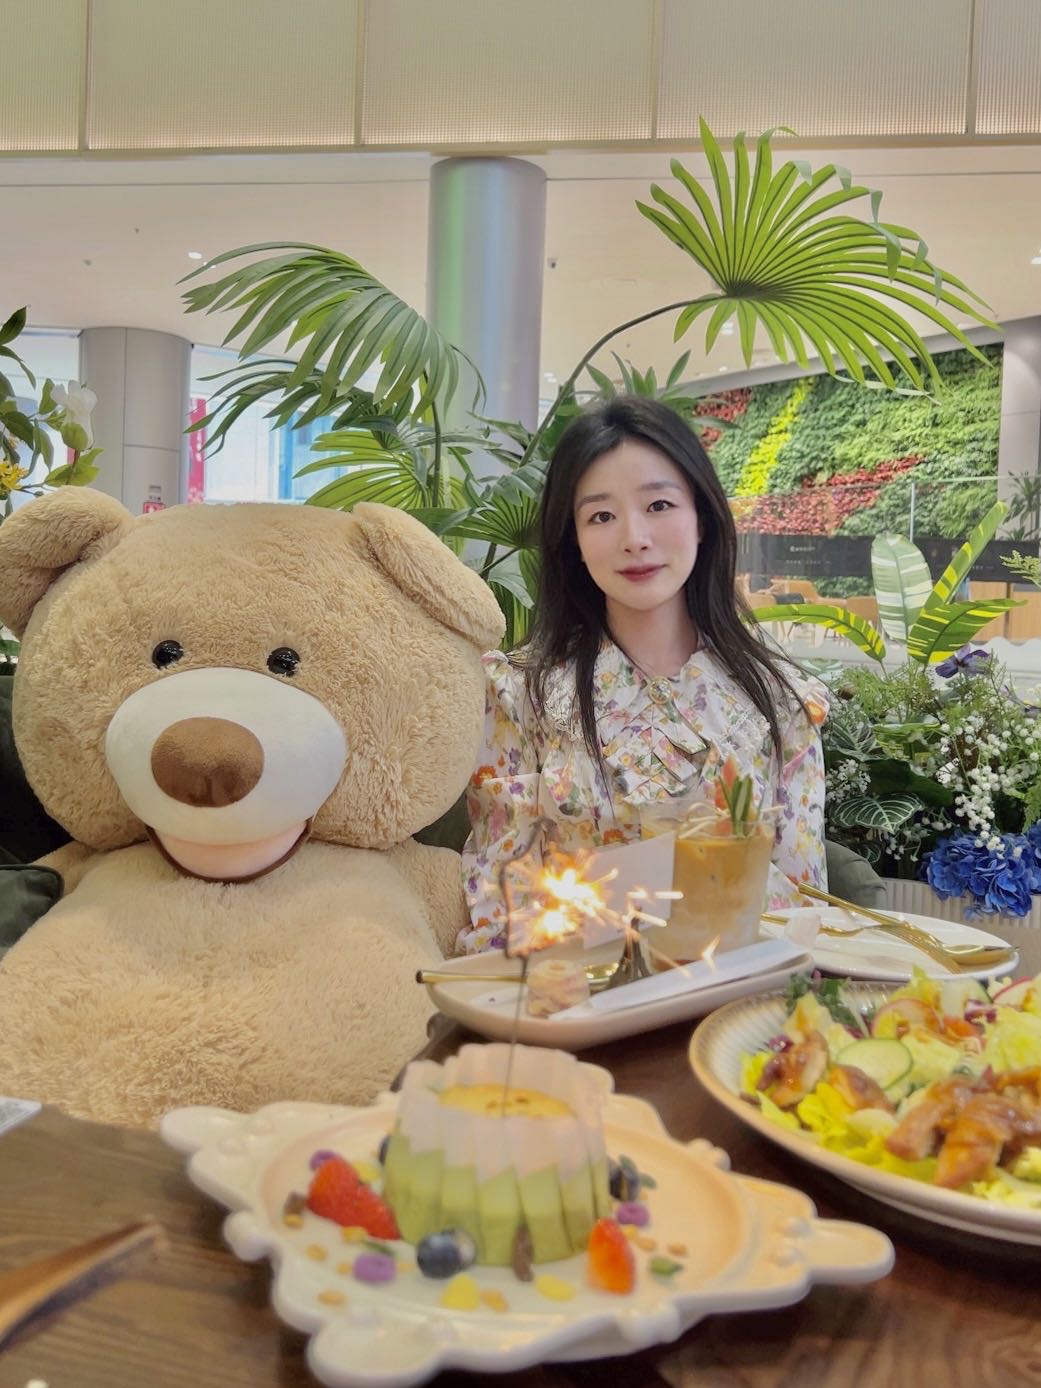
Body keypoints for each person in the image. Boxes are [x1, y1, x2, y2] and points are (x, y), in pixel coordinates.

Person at [459, 396, 827, 955]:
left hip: (741, 995)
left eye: (658, 504)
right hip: (576, 995)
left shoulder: (781, 701)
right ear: (574, 541)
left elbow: (805, 912)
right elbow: (500, 896)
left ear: (701, 519)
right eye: (601, 516)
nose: (634, 537)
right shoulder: (520, 693)